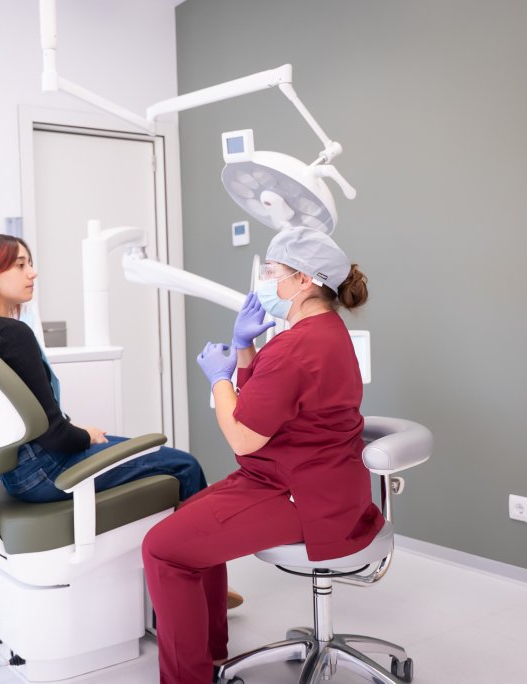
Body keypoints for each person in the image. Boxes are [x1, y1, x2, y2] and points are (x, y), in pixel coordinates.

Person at [142, 227, 384, 684]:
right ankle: (210, 655)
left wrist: (219, 377)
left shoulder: (296, 346)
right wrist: (244, 348)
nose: (264, 280)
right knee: (187, 521)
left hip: (301, 495)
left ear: (304, 280)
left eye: (272, 271)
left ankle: (190, 675)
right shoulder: (323, 332)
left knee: (163, 550)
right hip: (306, 480)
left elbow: (242, 436)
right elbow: (267, 405)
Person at [0, 232, 209, 505]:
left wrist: (78, 432)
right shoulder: (11, 334)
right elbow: (54, 436)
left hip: (19, 473)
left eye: (30, 263)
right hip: (47, 470)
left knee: (137, 448)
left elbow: (39, 423)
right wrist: (86, 436)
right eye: (20, 265)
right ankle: (200, 533)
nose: (32, 273)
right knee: (185, 465)